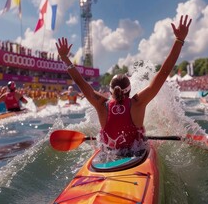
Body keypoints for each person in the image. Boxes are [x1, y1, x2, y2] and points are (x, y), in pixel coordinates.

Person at [55, 14, 192, 155]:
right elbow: (163, 73)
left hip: (109, 155)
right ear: (130, 89)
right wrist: (179, 40)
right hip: (136, 153)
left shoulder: (102, 104)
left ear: (110, 90)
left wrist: (65, 58)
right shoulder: (138, 102)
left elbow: (80, 82)